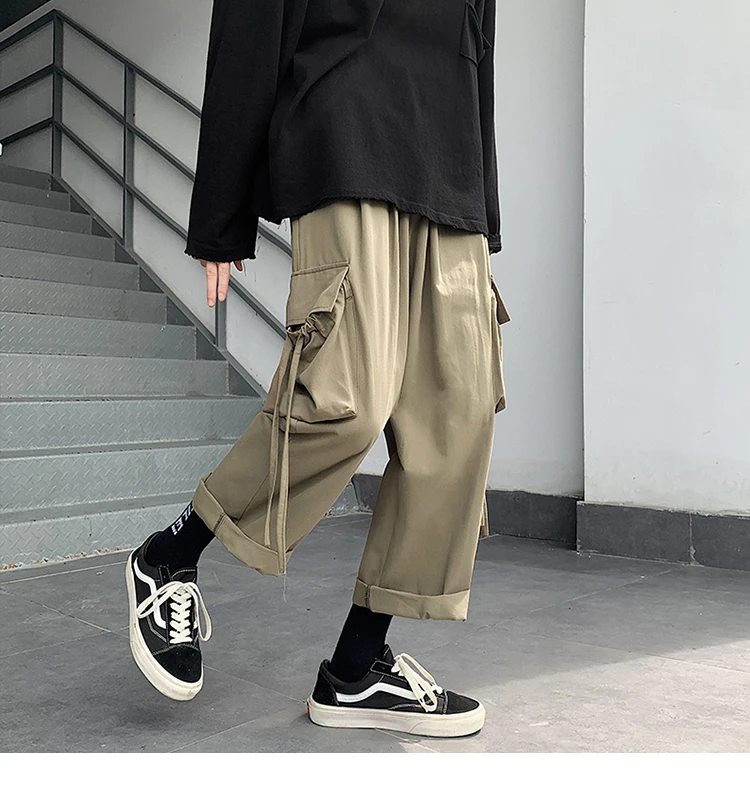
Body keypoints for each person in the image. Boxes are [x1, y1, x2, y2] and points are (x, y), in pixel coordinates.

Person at [125, 0, 510, 739]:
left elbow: (477, 49)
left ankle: (358, 670)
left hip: (450, 172)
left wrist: (483, 209)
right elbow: (250, 21)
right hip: (346, 132)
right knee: (343, 402)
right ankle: (170, 556)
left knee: (457, 426)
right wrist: (221, 214)